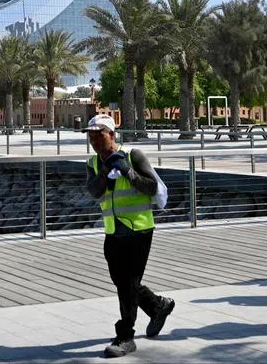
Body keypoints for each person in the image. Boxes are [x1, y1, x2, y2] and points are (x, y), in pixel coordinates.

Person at [86, 114, 175, 358]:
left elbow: (153, 187)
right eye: (90, 135)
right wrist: (104, 171)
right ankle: (157, 305)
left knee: (127, 282)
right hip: (113, 231)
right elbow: (93, 191)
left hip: (139, 230)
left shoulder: (133, 155)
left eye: (99, 134)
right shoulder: (93, 163)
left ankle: (125, 336)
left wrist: (127, 172)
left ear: (112, 134)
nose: (94, 140)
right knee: (122, 281)